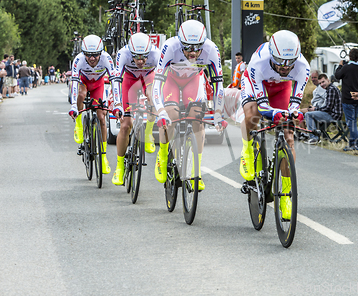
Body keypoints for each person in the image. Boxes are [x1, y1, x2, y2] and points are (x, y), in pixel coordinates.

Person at [239, 30, 309, 219]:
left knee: (288, 135)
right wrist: (273, 112)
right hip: (256, 85)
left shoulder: (303, 66)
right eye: (280, 61)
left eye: (290, 62)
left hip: (281, 88)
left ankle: (286, 196)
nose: (285, 67)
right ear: (272, 54)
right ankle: (247, 150)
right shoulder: (258, 62)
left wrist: (293, 113)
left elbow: (294, 104)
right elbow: (262, 106)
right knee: (253, 115)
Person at [152, 20, 225, 191]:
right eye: (187, 48)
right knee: (171, 116)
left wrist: (219, 113)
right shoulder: (170, 47)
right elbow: (157, 84)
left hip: (194, 81)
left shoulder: (211, 49)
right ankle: (163, 154)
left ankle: (196, 173)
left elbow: (219, 85)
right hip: (171, 81)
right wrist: (161, 111)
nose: (192, 53)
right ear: (180, 43)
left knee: (197, 119)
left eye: (197, 48)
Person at [110, 33, 161, 185]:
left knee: (153, 97)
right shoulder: (123, 54)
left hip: (148, 77)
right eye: (136, 57)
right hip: (129, 79)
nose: (140, 61)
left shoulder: (157, 54)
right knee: (125, 125)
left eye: (144, 57)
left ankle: (149, 132)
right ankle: (119, 167)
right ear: (130, 52)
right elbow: (116, 80)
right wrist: (118, 104)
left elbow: (162, 81)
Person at [68, 35, 114, 175]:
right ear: (83, 53)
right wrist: (74, 107)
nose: (92, 58)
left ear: (101, 53)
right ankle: (79, 125)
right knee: (81, 95)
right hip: (83, 83)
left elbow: (114, 81)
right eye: (88, 55)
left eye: (95, 55)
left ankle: (104, 156)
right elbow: (74, 83)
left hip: (98, 85)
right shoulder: (78, 60)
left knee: (101, 116)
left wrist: (116, 103)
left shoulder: (107, 59)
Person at [334, 48, 358, 150]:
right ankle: (354, 142)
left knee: (351, 122)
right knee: (353, 121)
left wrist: (340, 65)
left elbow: (337, 75)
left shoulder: (347, 67)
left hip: (348, 98)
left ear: (349, 56)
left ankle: (354, 144)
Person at [304, 73, 342, 145]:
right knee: (311, 113)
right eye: (320, 83)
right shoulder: (330, 89)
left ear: (328, 80)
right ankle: (315, 136)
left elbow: (328, 108)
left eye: (323, 82)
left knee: (308, 114)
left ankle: (314, 138)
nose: (322, 84)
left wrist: (315, 109)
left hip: (333, 115)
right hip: (333, 113)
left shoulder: (331, 89)